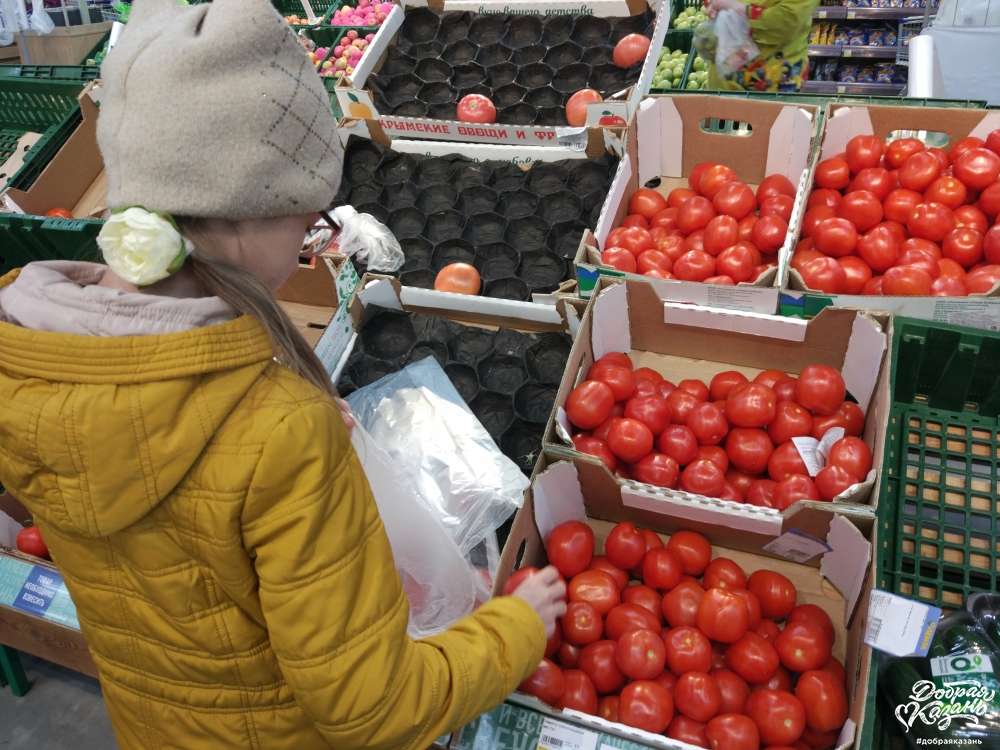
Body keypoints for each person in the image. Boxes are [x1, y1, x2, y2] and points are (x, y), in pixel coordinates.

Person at [0, 0, 566, 748]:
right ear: (243, 211)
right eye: (307, 219)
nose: (311, 242)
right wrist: (515, 630)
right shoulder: (279, 430)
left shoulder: (23, 334)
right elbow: (371, 709)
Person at [706, 0, 819, 92]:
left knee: (774, 118)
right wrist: (712, 5)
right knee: (721, 114)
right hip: (725, 76)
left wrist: (740, 10)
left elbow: (788, 20)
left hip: (774, 80)